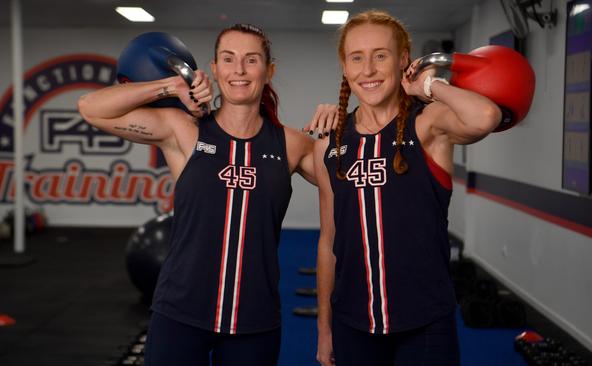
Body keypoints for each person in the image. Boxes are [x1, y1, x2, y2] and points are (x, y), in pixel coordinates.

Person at [78, 23, 316, 366]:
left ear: (269, 70)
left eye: (251, 60)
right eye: (229, 59)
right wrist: (171, 85)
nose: (239, 70)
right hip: (180, 315)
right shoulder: (183, 130)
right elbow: (90, 107)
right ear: (214, 69)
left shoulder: (291, 145)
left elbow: (356, 175)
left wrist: (345, 123)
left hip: (255, 320)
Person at [311, 10, 502, 366]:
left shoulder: (428, 123)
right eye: (357, 57)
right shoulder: (330, 142)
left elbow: (486, 116)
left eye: (380, 56)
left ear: (402, 60)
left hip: (425, 321)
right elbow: (328, 241)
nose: (368, 69)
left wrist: (429, 87)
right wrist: (324, 328)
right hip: (353, 321)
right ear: (344, 66)